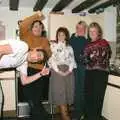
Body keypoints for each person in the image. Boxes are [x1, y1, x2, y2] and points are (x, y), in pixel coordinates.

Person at [0, 39, 50, 119]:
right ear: (35, 49)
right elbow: (1, 49)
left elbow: (24, 81)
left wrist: (41, 74)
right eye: (38, 55)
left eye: (38, 60)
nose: (36, 59)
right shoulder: (23, 47)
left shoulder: (23, 63)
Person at [18, 11, 51, 120]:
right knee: (33, 101)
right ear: (31, 28)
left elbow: (48, 54)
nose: (38, 28)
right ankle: (44, 117)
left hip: (40, 73)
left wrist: (40, 53)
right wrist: (37, 16)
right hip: (27, 71)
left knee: (36, 101)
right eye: (35, 26)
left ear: (42, 29)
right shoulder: (25, 36)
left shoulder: (44, 40)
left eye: (40, 26)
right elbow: (22, 24)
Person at [84, 22, 112, 120]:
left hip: (100, 73)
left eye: (94, 31)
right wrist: (90, 57)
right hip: (89, 73)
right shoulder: (88, 44)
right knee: (88, 96)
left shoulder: (103, 42)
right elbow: (84, 59)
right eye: (90, 31)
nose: (92, 33)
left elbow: (101, 56)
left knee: (97, 98)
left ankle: (94, 118)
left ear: (98, 32)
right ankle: (89, 117)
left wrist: (89, 57)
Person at [48, 27, 76, 120]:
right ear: (57, 36)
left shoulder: (70, 47)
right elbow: (52, 60)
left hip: (68, 73)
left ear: (66, 36)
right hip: (57, 73)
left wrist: (68, 71)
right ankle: (66, 118)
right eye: (59, 35)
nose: (60, 36)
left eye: (63, 34)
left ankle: (64, 117)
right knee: (61, 98)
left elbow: (72, 60)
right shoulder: (53, 46)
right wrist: (59, 71)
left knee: (66, 98)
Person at [69, 21, 88, 120]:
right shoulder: (72, 39)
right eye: (78, 28)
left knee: (81, 90)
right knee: (76, 90)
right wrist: (73, 36)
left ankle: (79, 112)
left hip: (83, 68)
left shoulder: (87, 40)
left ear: (85, 30)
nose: (80, 30)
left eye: (82, 28)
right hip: (74, 68)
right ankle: (78, 112)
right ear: (76, 29)